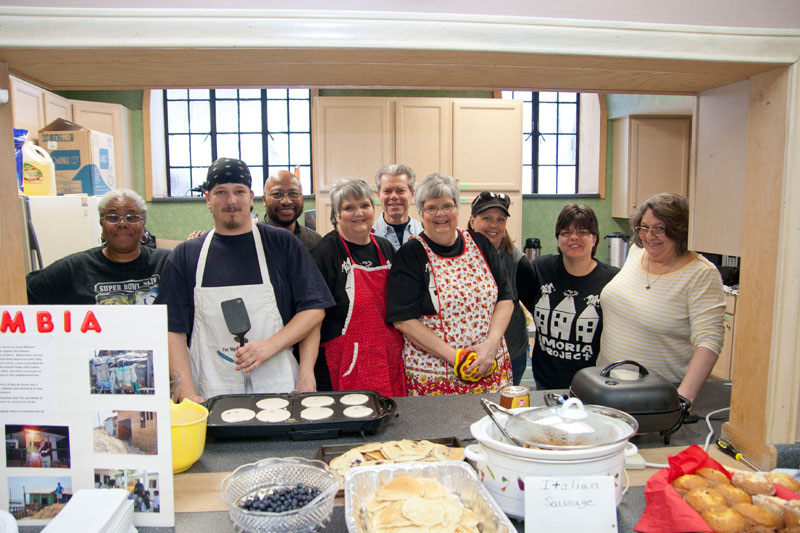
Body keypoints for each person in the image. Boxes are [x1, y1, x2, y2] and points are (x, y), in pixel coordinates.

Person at [155, 158, 334, 402]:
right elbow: (172, 330)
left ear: (251, 197)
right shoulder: (186, 256)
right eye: (221, 192)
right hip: (211, 391)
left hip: (279, 387)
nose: (231, 201)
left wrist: (270, 348)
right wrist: (187, 394)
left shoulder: (282, 244)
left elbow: (313, 310)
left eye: (239, 192)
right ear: (208, 199)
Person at [386, 173, 513, 395]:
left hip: (491, 366)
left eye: (447, 205)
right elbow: (404, 320)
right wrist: (456, 357)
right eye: (431, 208)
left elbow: (505, 298)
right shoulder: (411, 255)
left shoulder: (480, 243)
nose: (440, 214)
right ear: (421, 213)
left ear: (457, 208)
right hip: (437, 377)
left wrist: (492, 344)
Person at [598, 193, 725, 403]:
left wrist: (682, 401)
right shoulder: (636, 252)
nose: (649, 236)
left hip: (656, 395)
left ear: (678, 230)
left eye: (659, 228)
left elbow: (709, 343)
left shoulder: (701, 274)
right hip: (607, 383)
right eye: (644, 227)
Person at [310, 178, 405, 396]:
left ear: (373, 209)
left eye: (364, 205)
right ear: (336, 215)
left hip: (387, 353)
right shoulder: (325, 253)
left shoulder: (385, 247)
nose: (359, 213)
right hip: (345, 360)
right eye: (348, 208)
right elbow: (313, 318)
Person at [521, 204, 619, 390]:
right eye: (566, 232)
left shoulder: (612, 280)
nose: (574, 237)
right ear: (558, 239)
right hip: (546, 384)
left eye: (582, 232)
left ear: (595, 238)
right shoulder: (540, 269)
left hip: (593, 387)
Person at [26, 189, 169, 305]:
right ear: (102, 223)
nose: (122, 223)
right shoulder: (75, 267)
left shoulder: (165, 262)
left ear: (143, 224)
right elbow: (23, 292)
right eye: (113, 217)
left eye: (131, 217)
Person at [467, 191, 533, 386]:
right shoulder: (455, 256)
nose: (493, 225)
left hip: (511, 353)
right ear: (472, 221)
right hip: (465, 353)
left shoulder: (517, 262)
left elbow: (532, 303)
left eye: (500, 219)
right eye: (486, 218)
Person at [263, 170, 322, 251]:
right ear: (264, 200)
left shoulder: (316, 242)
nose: (286, 201)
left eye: (293, 193)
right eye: (277, 194)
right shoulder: (252, 239)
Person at [371, 164, 423, 250]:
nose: (393, 196)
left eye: (401, 191)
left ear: (412, 194)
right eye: (387, 191)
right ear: (379, 195)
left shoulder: (424, 232)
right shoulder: (369, 235)